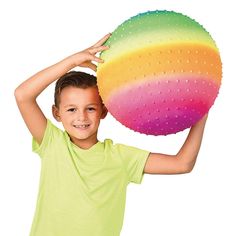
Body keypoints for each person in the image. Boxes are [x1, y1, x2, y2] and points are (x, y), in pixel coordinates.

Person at [14, 33, 208, 236]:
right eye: (71, 109)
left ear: (104, 111)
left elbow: (182, 163)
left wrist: (201, 113)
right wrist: (73, 60)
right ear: (57, 114)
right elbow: (22, 95)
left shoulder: (121, 157)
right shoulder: (53, 143)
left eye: (90, 108)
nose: (81, 117)